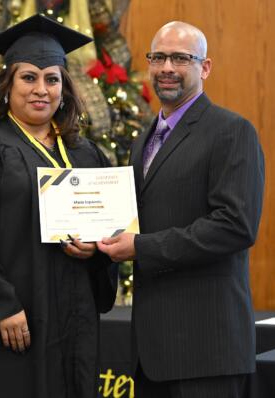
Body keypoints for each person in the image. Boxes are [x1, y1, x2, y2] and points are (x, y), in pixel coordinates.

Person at [0, 14, 118, 398]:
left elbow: (111, 230)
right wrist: (1, 305)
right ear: (7, 84)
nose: (41, 89)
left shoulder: (86, 154)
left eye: (51, 79)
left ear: (64, 88)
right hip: (12, 322)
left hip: (75, 317)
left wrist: (96, 249)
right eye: (29, 77)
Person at [97, 21, 265, 397]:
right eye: (158, 57)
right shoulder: (144, 138)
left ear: (204, 67)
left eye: (180, 58)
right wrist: (96, 241)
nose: (166, 67)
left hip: (206, 350)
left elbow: (235, 226)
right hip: (151, 351)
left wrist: (139, 248)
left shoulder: (231, 132)